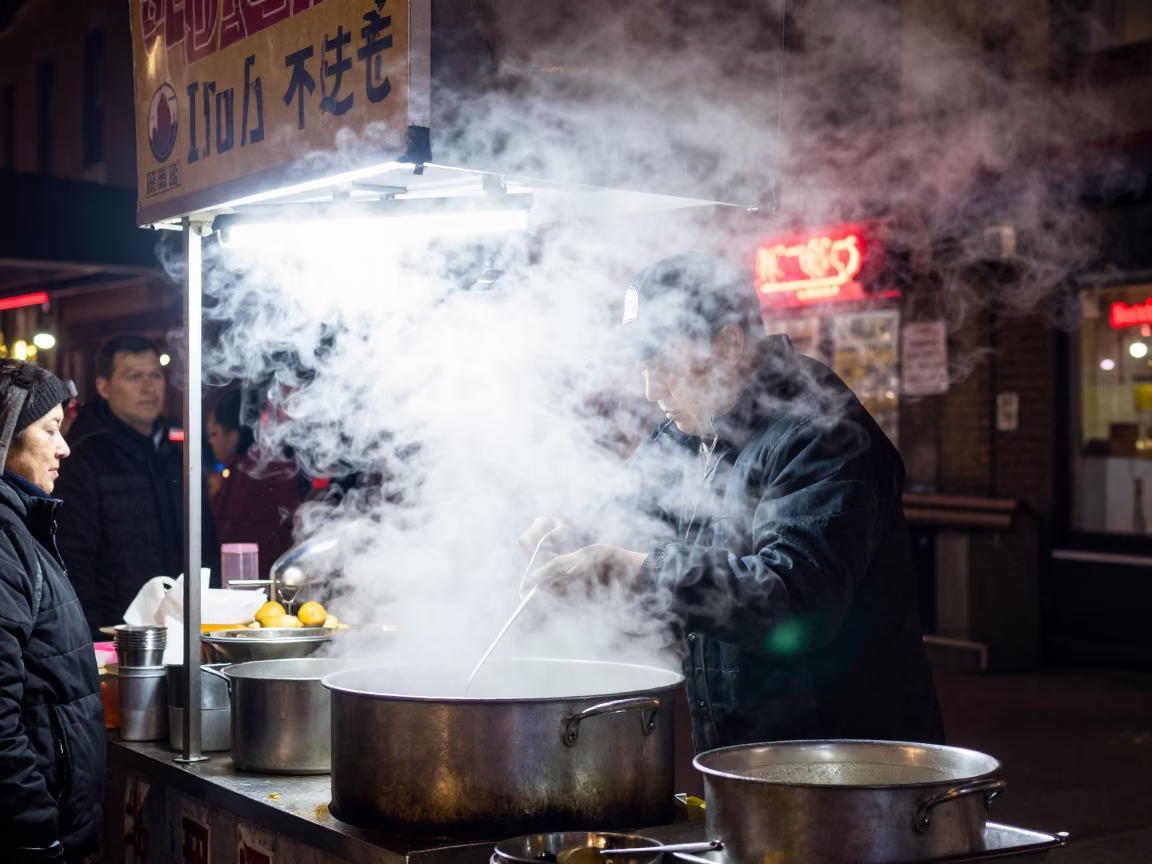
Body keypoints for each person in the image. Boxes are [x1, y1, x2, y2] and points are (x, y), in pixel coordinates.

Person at [521, 252, 944, 751]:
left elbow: (794, 604)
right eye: (644, 366)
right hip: (742, 756)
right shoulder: (684, 432)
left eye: (665, 362)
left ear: (729, 344)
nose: (651, 388)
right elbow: (633, 519)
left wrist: (637, 572)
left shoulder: (821, 434)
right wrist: (579, 535)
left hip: (847, 764)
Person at [0, 361, 105, 862]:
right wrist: (36, 835)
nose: (63, 448)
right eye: (50, 430)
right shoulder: (2, 542)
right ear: (6, 438)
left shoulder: (21, 525)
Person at [53, 335, 216, 640]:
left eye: (155, 375)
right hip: (117, 636)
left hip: (188, 632)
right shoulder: (82, 458)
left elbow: (205, 545)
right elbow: (73, 561)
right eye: (134, 376)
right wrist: (91, 637)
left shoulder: (179, 456)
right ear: (103, 386)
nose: (148, 387)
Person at [207, 390, 301, 573]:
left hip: (253, 580)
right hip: (282, 575)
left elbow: (225, 532)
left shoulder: (244, 474)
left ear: (233, 436)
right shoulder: (273, 465)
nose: (210, 442)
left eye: (214, 434)